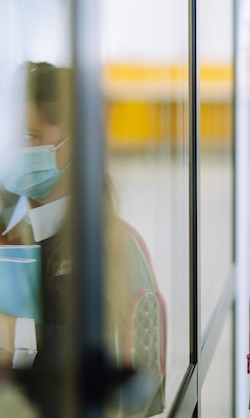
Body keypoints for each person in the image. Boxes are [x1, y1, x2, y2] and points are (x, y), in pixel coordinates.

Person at [0, 62, 165, 417]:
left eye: (30, 137)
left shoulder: (110, 249)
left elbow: (132, 393)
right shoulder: (14, 232)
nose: (15, 151)